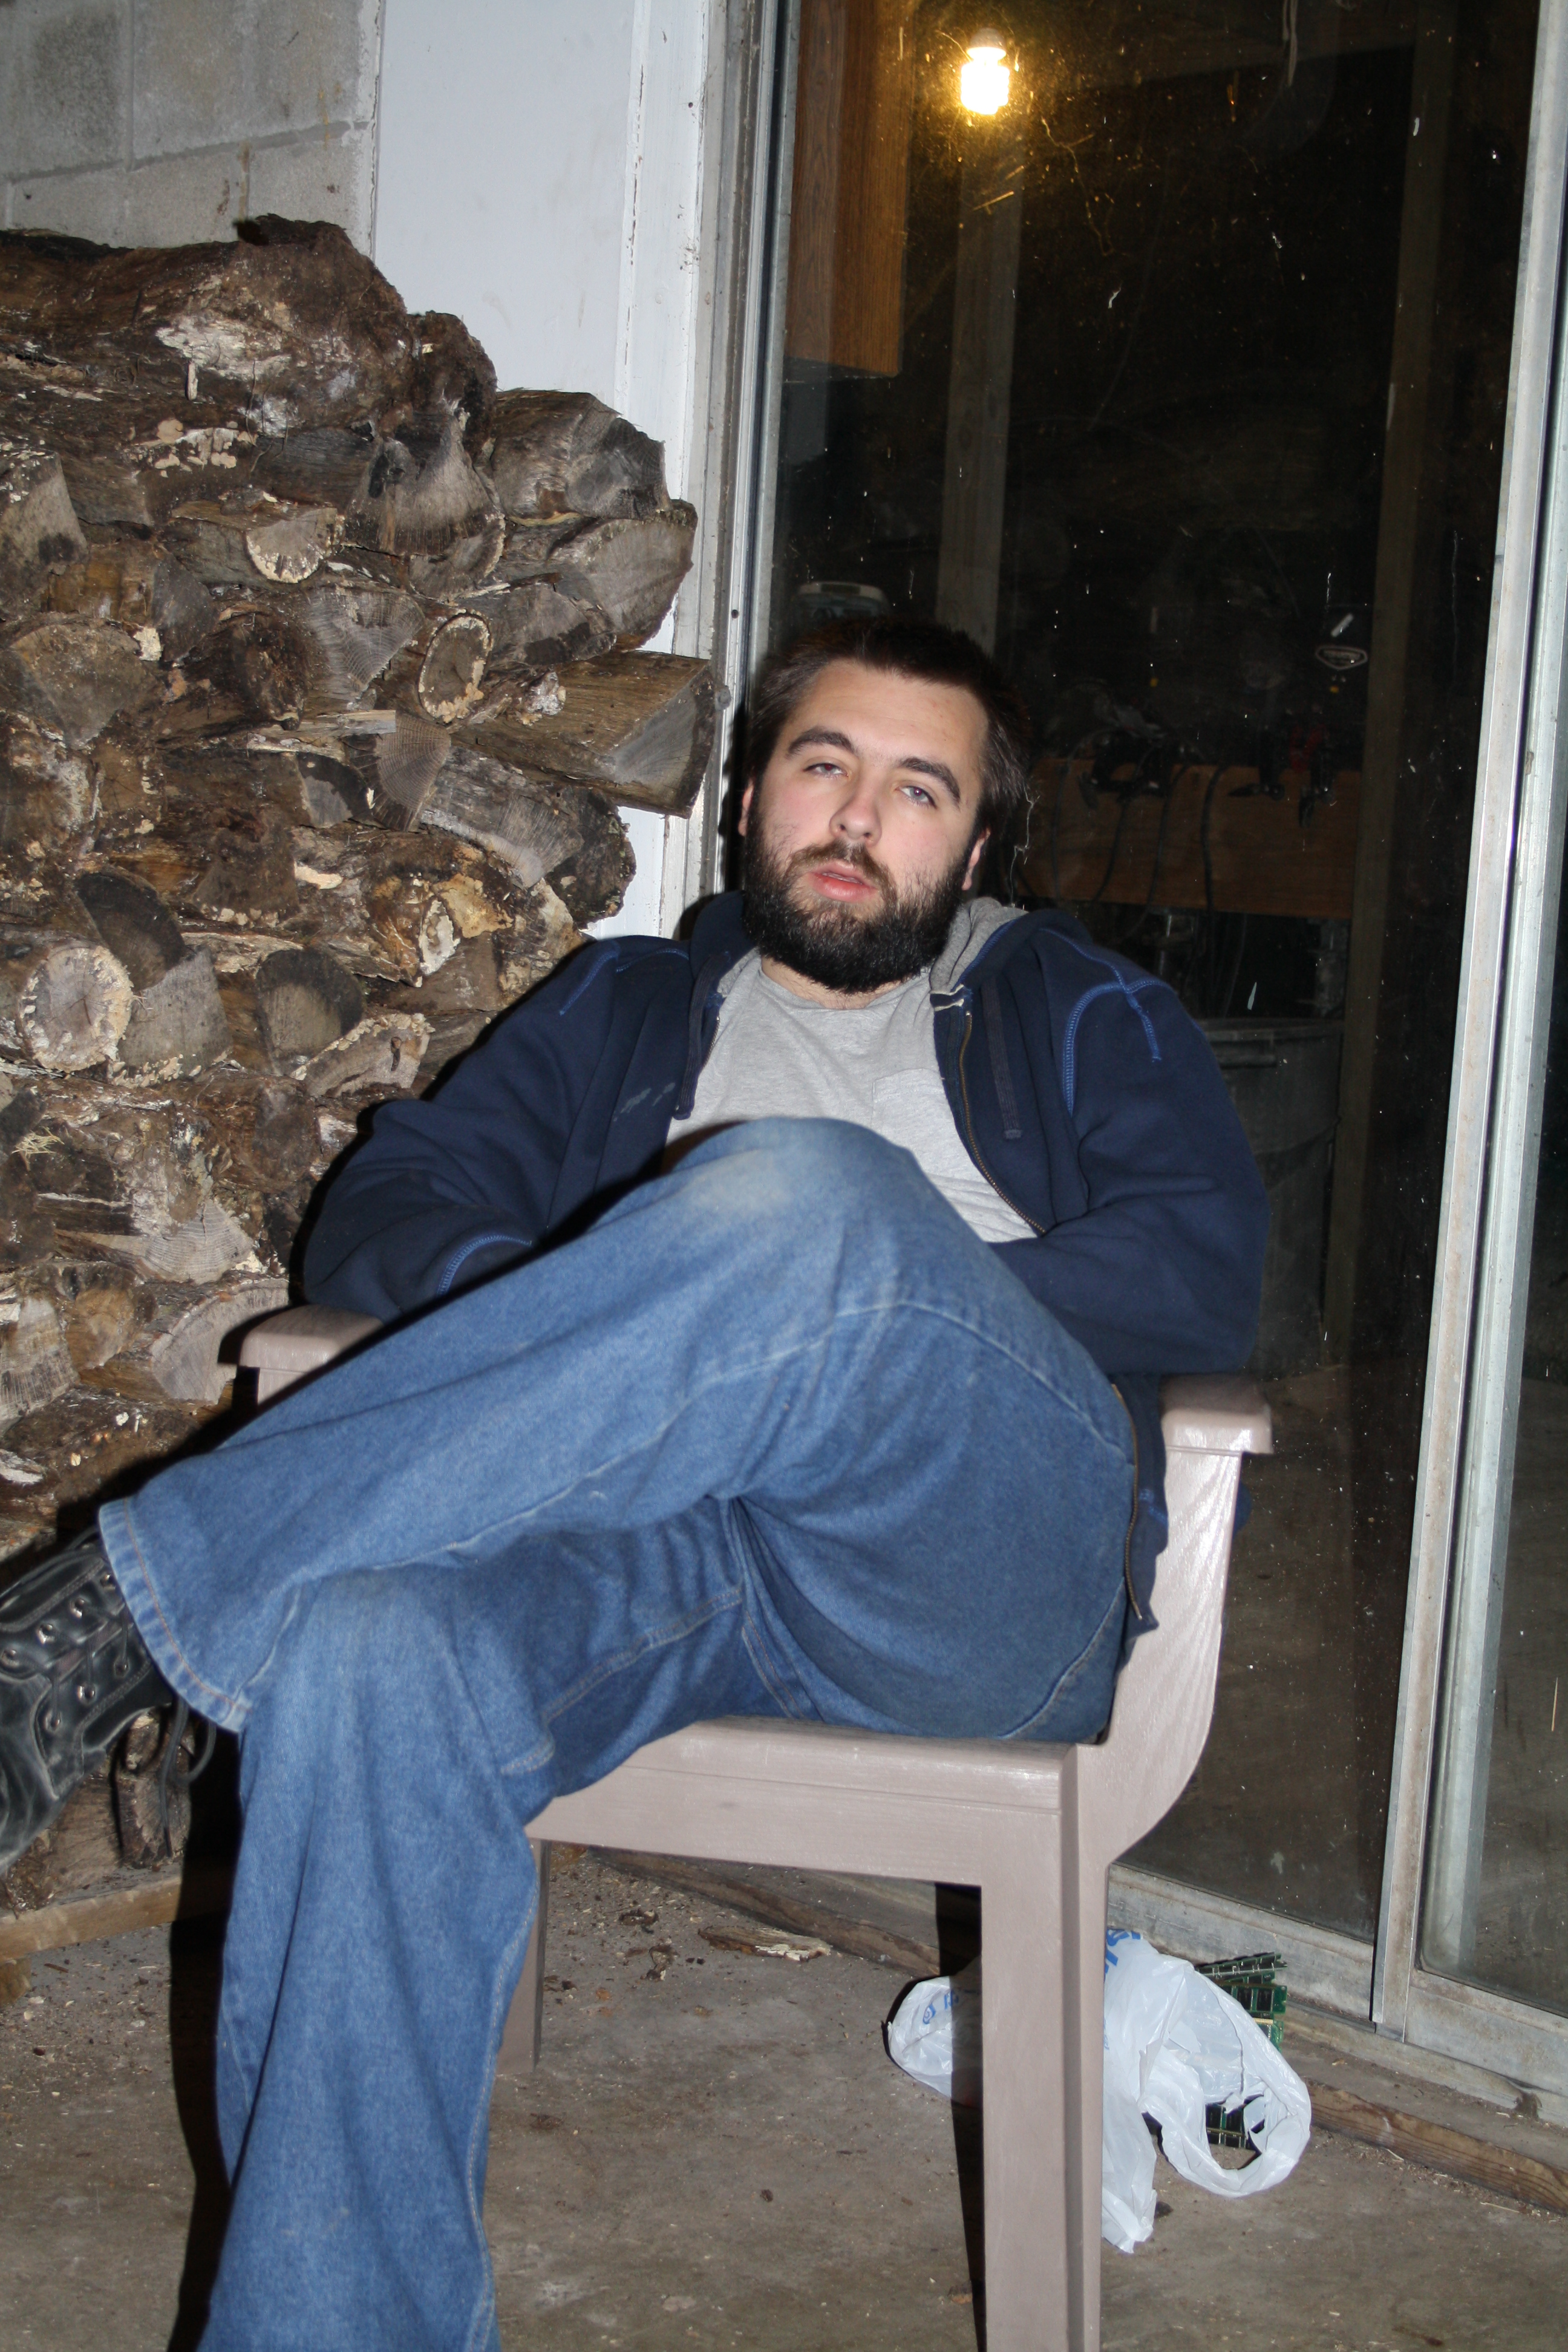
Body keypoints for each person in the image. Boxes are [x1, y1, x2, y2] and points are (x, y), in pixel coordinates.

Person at [0, 617, 1267, 2349]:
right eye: (823, 765)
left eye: (920, 791)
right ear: (749, 800)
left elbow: (1202, 1268)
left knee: (809, 1206)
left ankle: (119, 1616)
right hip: (659, 1562)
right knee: (368, 1653)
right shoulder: (625, 1003)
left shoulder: (1078, 1007)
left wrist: (848, 1303)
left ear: (975, 852)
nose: (858, 816)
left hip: (967, 1570)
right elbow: (391, 1212)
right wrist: (612, 1320)